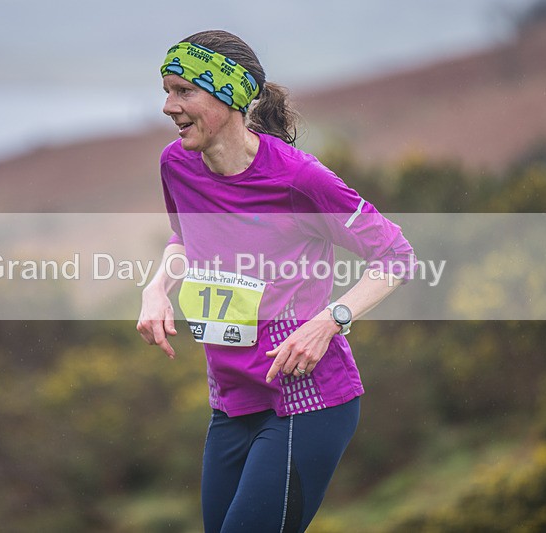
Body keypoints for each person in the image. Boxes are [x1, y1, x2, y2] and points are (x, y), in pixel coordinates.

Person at [137, 30, 416, 532]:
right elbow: (182, 239)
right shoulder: (176, 164)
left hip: (307, 399)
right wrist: (157, 288)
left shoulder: (299, 179)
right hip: (231, 398)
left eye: (183, 91)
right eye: (166, 90)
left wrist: (330, 320)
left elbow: (395, 255)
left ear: (228, 95)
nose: (168, 106)